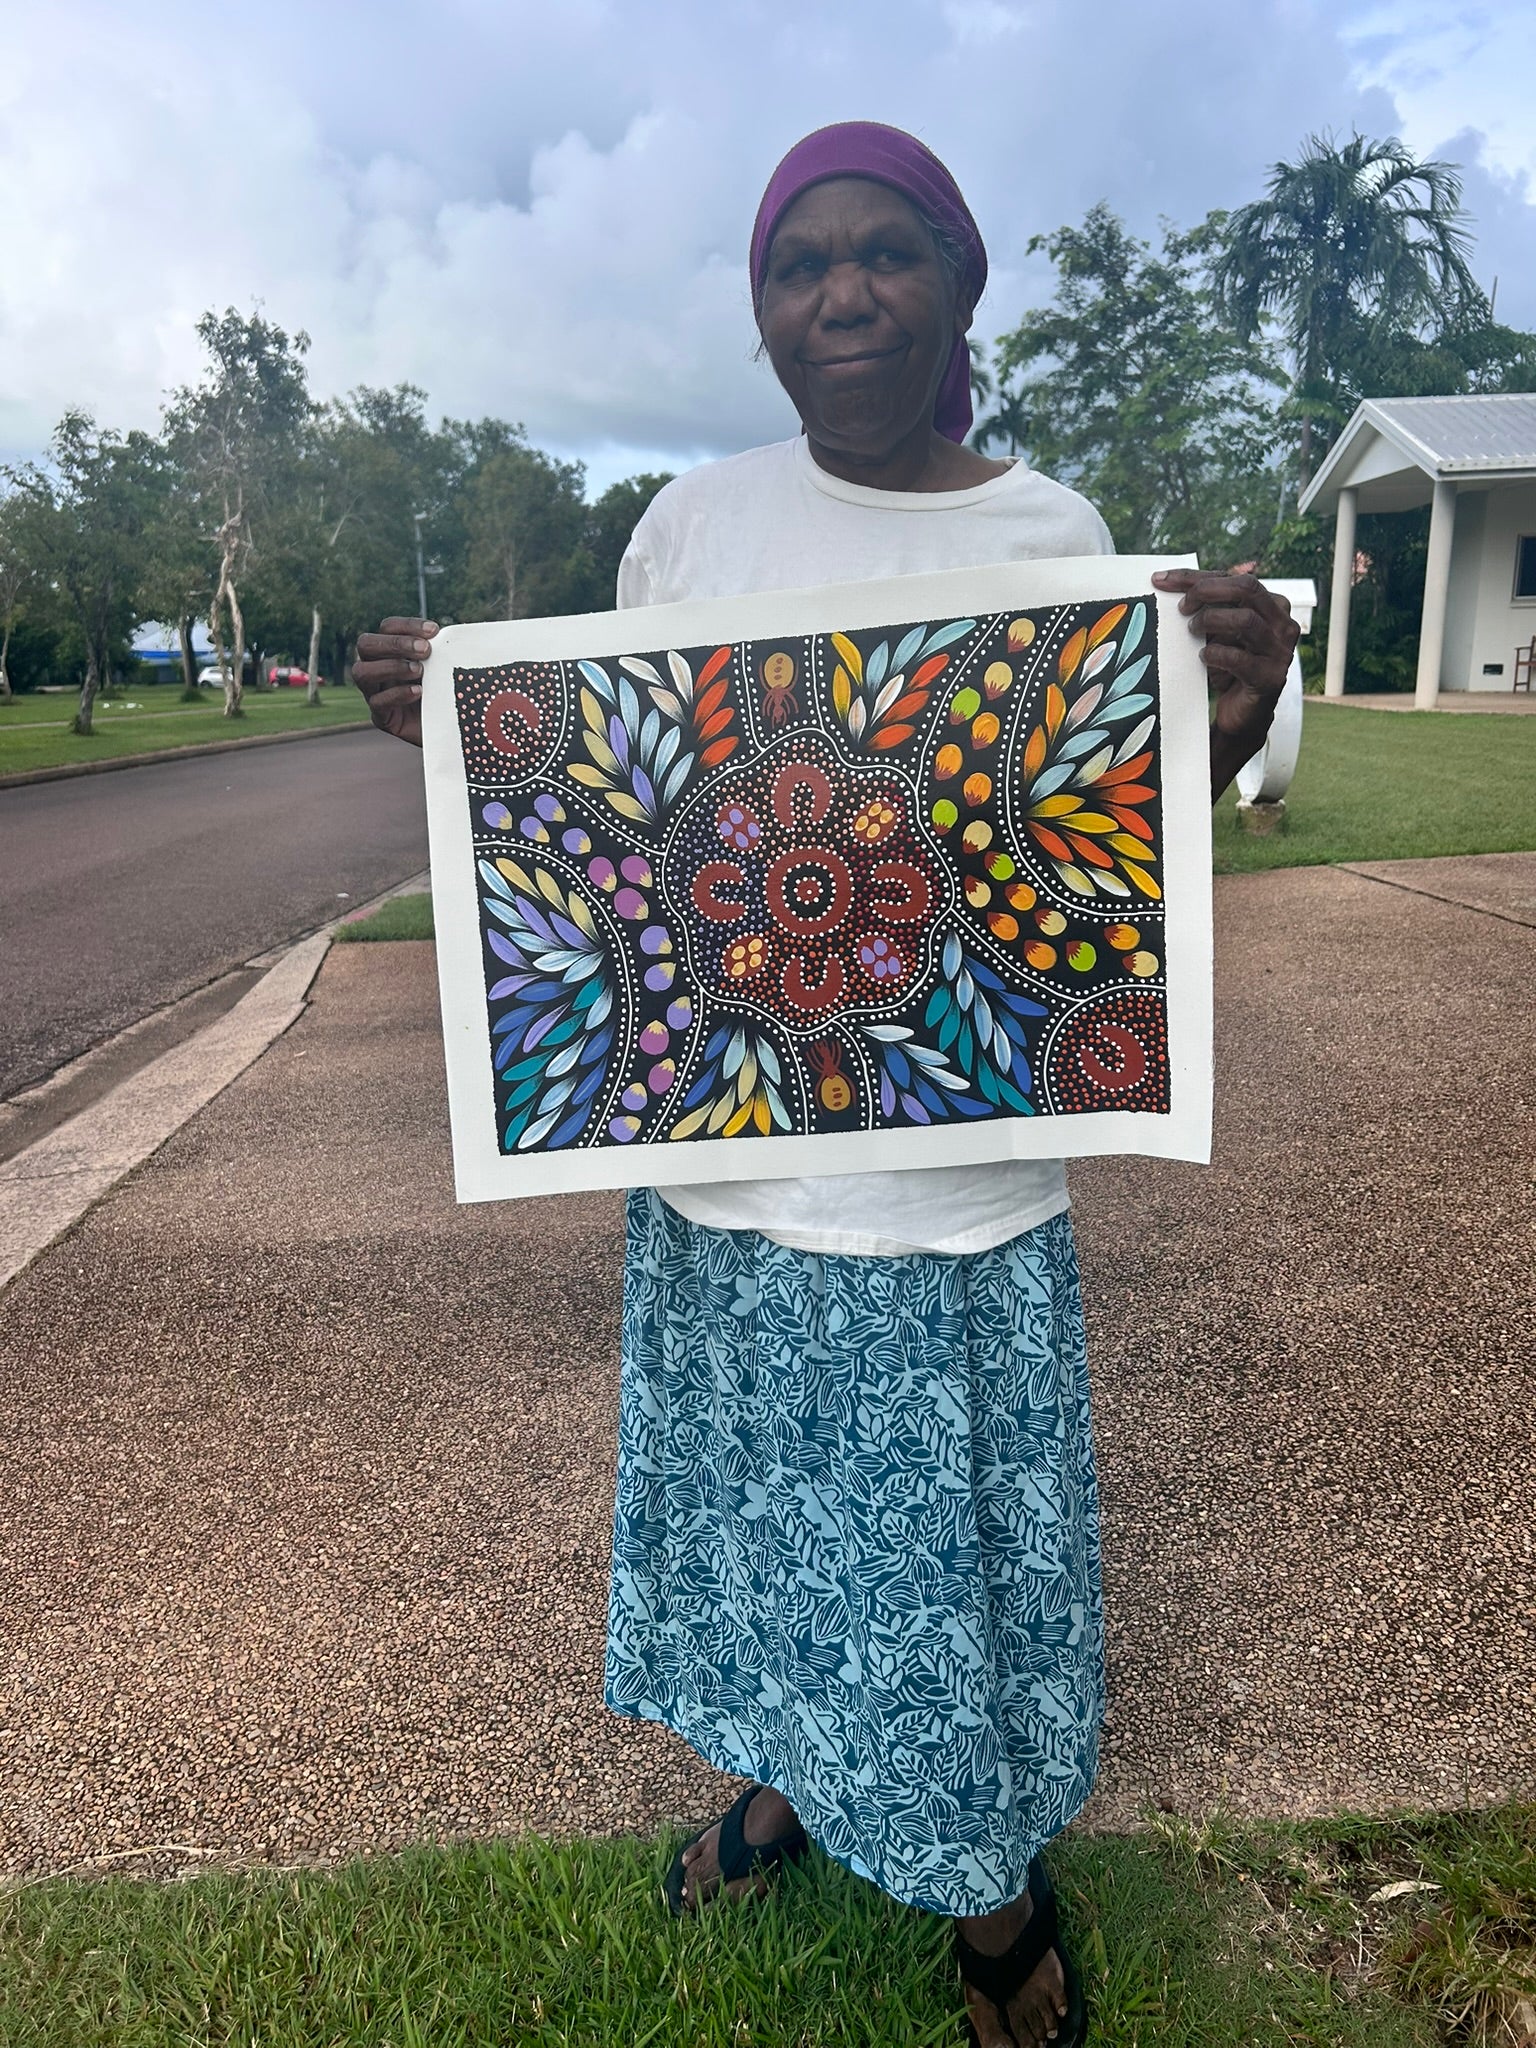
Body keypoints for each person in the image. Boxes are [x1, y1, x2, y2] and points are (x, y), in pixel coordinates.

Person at [354, 120, 1296, 2048]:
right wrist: (456, 737)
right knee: (766, 1534)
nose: (843, 293)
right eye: (803, 264)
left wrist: (1229, 716)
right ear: (763, 314)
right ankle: (791, 1776)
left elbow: (1091, 869)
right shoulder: (691, 527)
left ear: (956, 287)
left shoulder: (1052, 536)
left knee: (936, 1577)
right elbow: (625, 821)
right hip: (726, 1182)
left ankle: (989, 1896)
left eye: (886, 253)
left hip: (951, 1200)